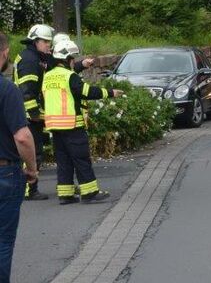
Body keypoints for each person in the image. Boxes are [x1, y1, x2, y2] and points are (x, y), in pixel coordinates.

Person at [42, 38, 123, 205]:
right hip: (72, 125)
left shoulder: (48, 76)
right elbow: (86, 91)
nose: (74, 62)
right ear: (67, 60)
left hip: (54, 126)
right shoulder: (69, 76)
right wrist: (110, 93)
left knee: (63, 161)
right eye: (73, 59)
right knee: (81, 159)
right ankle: (89, 193)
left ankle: (65, 195)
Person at [0, 31, 38, 283]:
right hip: (4, 173)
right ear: (3, 53)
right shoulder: (7, 89)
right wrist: (32, 169)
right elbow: (22, 137)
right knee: (2, 241)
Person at [13, 24, 54, 200]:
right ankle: (30, 189)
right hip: (29, 116)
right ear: (36, 41)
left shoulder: (33, 56)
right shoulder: (30, 60)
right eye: (45, 42)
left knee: (34, 150)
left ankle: (29, 188)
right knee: (31, 151)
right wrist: (35, 114)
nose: (48, 45)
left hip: (28, 114)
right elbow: (27, 91)